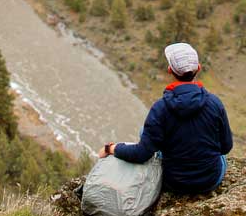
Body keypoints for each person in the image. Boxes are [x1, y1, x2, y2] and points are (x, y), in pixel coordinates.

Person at [97, 41, 233, 194]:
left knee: (145, 132)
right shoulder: (215, 103)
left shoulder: (160, 109)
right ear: (198, 68)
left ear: (170, 70)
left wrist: (111, 148)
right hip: (210, 180)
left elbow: (141, 154)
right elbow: (226, 147)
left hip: (175, 184)